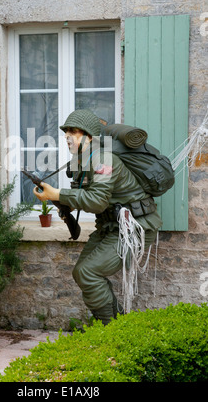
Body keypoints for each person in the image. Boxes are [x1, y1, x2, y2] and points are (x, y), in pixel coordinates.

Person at [33, 109, 162, 325]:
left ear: (89, 136)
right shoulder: (79, 161)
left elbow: (96, 201)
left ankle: (110, 330)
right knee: (81, 272)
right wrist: (62, 203)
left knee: (88, 273)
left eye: (74, 132)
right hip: (110, 226)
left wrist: (57, 194)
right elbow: (81, 195)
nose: (67, 137)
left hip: (135, 227)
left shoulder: (103, 158)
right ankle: (116, 325)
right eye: (66, 132)